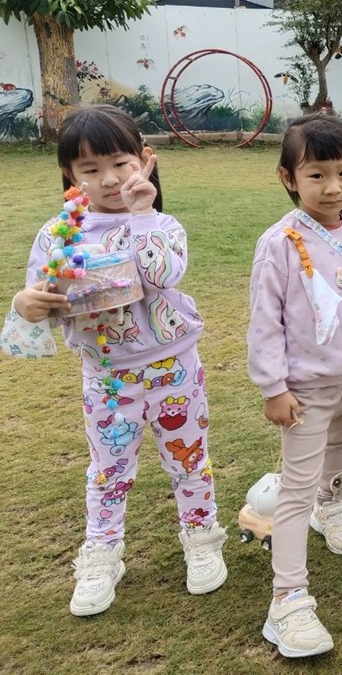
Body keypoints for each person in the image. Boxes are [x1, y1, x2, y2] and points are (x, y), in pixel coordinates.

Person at [6, 104, 227, 616]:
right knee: (108, 470)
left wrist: (143, 213)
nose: (108, 179)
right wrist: (25, 302)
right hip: (107, 377)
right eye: (90, 168)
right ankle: (102, 553)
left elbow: (163, 275)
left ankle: (201, 537)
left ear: (144, 160)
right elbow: (42, 295)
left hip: (173, 368)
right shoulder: (59, 234)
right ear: (70, 175)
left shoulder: (162, 224)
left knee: (189, 460)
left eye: (120, 164)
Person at [248, 113, 342, 658]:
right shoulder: (278, 244)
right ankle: (286, 600)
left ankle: (329, 505)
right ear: (289, 178)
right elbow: (265, 322)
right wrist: (273, 387)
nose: (333, 187)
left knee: (340, 449)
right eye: (317, 175)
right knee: (295, 486)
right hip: (305, 388)